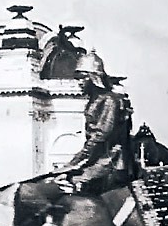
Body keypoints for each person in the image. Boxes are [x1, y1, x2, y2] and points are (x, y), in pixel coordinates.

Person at [54, 50, 134, 194]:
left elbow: (99, 139)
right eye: (77, 78)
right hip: (97, 161)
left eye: (82, 78)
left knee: (66, 185)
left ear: (93, 78)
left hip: (111, 162)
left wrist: (72, 165)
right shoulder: (94, 101)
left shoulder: (109, 101)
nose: (78, 82)